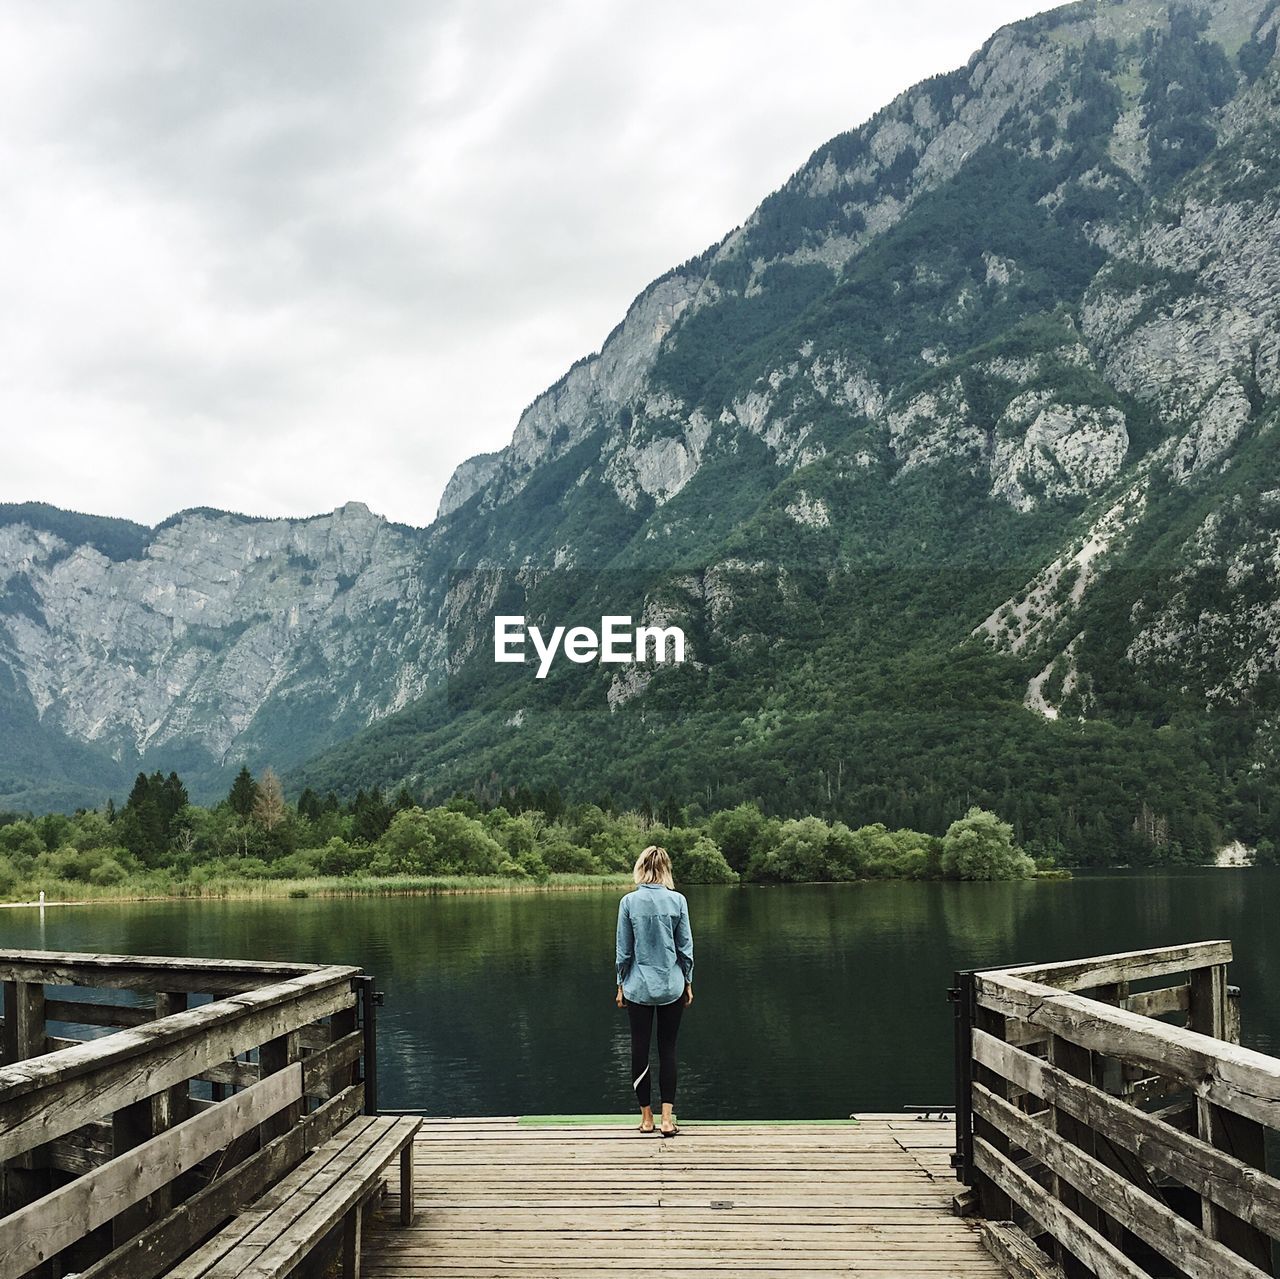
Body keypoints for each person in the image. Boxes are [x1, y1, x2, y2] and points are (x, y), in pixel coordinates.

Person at [615, 845, 694, 1137]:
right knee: (668, 1049)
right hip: (671, 985)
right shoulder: (678, 901)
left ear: (640, 867)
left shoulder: (628, 902)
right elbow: (685, 948)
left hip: (638, 987)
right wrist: (687, 981)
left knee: (639, 1048)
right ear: (666, 869)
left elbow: (623, 951)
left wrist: (620, 984)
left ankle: (646, 1119)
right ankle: (667, 1120)